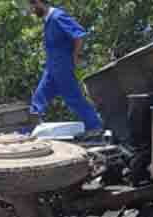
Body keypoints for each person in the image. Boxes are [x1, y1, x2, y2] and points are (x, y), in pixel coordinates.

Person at [27, 0, 104, 135]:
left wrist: (75, 56)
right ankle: (31, 127)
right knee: (39, 97)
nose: (32, 10)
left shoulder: (58, 16)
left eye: (32, 7)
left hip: (63, 66)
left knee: (73, 97)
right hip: (51, 68)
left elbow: (79, 36)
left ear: (39, 2)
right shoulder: (48, 20)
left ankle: (95, 126)